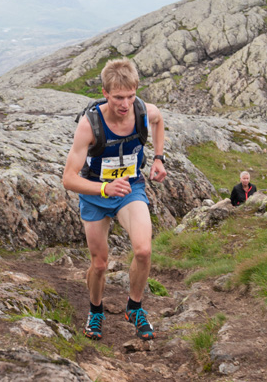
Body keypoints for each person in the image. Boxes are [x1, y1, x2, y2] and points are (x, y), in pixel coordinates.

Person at [62, 57, 167, 341]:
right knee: (99, 264)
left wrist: (158, 158)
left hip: (130, 189)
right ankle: (95, 310)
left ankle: (135, 307)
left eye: (130, 96)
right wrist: (104, 189)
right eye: (118, 97)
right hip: (96, 194)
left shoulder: (143, 112)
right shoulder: (90, 125)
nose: (125, 104)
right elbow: (68, 178)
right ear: (105, 93)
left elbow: (159, 121)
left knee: (143, 251)